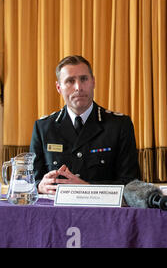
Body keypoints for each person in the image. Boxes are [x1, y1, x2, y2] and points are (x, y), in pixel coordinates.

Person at [30, 55, 140, 194]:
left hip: (103, 212)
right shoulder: (44, 128)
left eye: (84, 79)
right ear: (59, 87)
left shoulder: (119, 125)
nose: (78, 87)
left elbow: (131, 184)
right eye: (70, 81)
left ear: (93, 82)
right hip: (56, 212)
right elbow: (32, 180)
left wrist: (87, 187)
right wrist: (40, 186)